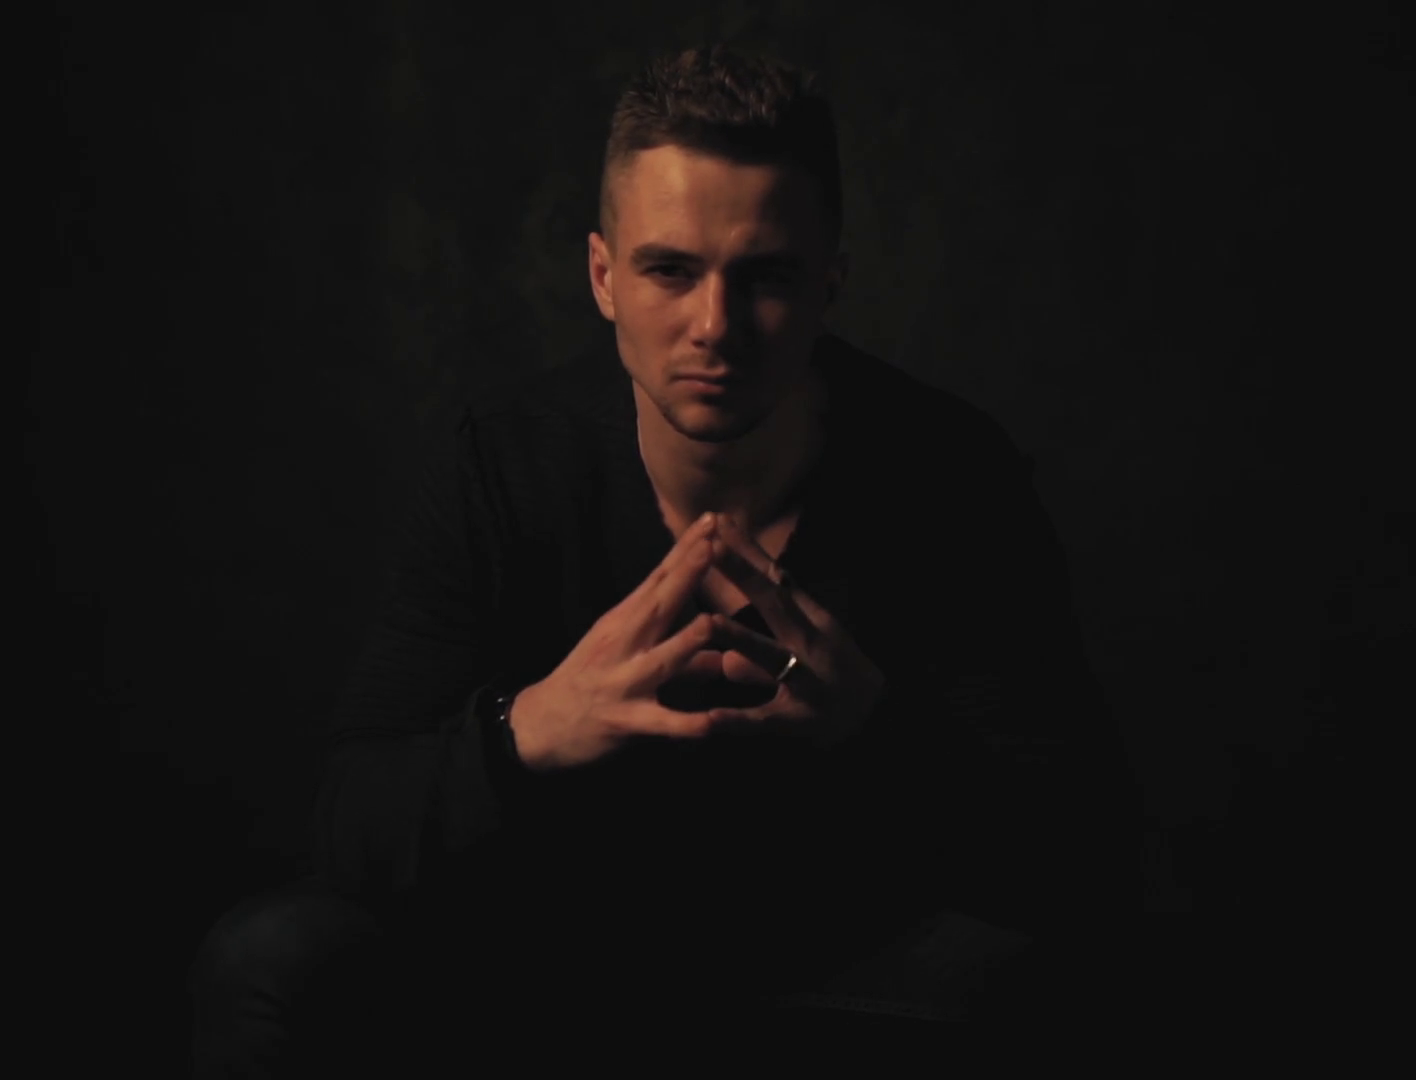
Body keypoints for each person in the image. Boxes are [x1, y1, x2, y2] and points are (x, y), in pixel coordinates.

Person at [188, 43, 1139, 1075]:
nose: (715, 328)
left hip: (845, 968)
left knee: (1045, 985)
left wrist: (879, 733)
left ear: (831, 280)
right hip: (557, 955)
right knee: (271, 957)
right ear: (604, 276)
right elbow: (351, 824)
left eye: (765, 276)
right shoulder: (508, 463)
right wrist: (532, 730)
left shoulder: (950, 474)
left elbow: (1085, 856)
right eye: (670, 271)